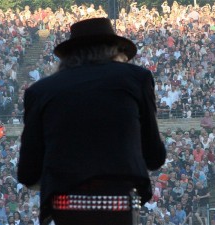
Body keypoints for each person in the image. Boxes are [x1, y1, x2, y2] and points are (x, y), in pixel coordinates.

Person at [17, 18, 166, 225]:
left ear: (68, 56)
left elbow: (27, 171)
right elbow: (154, 157)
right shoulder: (136, 78)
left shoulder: (40, 91)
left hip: (67, 202)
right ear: (115, 51)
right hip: (118, 200)